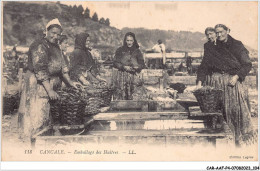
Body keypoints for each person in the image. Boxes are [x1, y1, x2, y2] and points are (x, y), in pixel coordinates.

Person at [18, 19, 79, 141]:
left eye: (58, 34)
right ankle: (33, 141)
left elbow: (63, 68)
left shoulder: (56, 47)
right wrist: (50, 90)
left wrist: (71, 83)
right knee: (38, 115)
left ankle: (44, 139)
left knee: (48, 117)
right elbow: (40, 69)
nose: (55, 36)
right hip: (39, 84)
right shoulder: (40, 45)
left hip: (51, 84)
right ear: (46, 31)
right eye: (53, 33)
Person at [197, 25, 255, 146]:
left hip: (232, 83)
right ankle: (217, 143)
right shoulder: (210, 46)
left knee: (235, 112)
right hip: (216, 83)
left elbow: (247, 65)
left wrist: (237, 76)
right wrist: (199, 82)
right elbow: (204, 66)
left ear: (228, 31)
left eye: (221, 32)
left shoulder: (237, 45)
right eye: (216, 33)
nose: (219, 35)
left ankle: (239, 142)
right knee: (217, 115)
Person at [112, 32, 145, 100]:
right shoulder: (120, 50)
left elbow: (142, 64)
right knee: (122, 96)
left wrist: (138, 67)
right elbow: (115, 62)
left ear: (134, 41)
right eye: (128, 40)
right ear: (125, 41)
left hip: (134, 77)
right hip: (122, 76)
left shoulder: (137, 51)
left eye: (131, 40)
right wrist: (123, 67)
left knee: (134, 97)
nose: (129, 42)